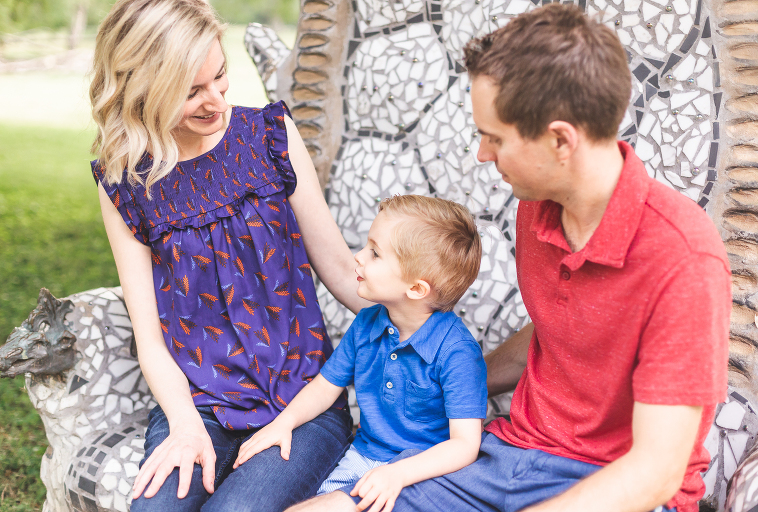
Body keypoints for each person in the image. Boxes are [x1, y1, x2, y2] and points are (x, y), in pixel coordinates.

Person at [296, 4, 730, 512]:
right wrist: (459, 374)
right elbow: (562, 330)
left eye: (495, 138)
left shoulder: (685, 259)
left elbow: (654, 473)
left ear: (561, 140)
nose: (482, 153)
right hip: (509, 455)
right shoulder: (537, 210)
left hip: (614, 484)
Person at [88, 0, 369, 510]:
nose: (216, 101)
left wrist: (426, 321)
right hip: (198, 404)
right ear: (141, 89)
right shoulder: (125, 181)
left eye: (220, 77)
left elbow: (342, 272)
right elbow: (149, 337)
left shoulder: (270, 136)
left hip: (301, 402)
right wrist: (185, 427)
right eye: (191, 91)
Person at [238, 195, 488, 512]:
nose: (358, 257)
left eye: (374, 253)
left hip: (421, 472)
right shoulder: (368, 323)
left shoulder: (457, 352)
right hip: (362, 455)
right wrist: (282, 424)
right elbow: (325, 386)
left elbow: (464, 445)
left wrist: (397, 474)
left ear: (415, 289)